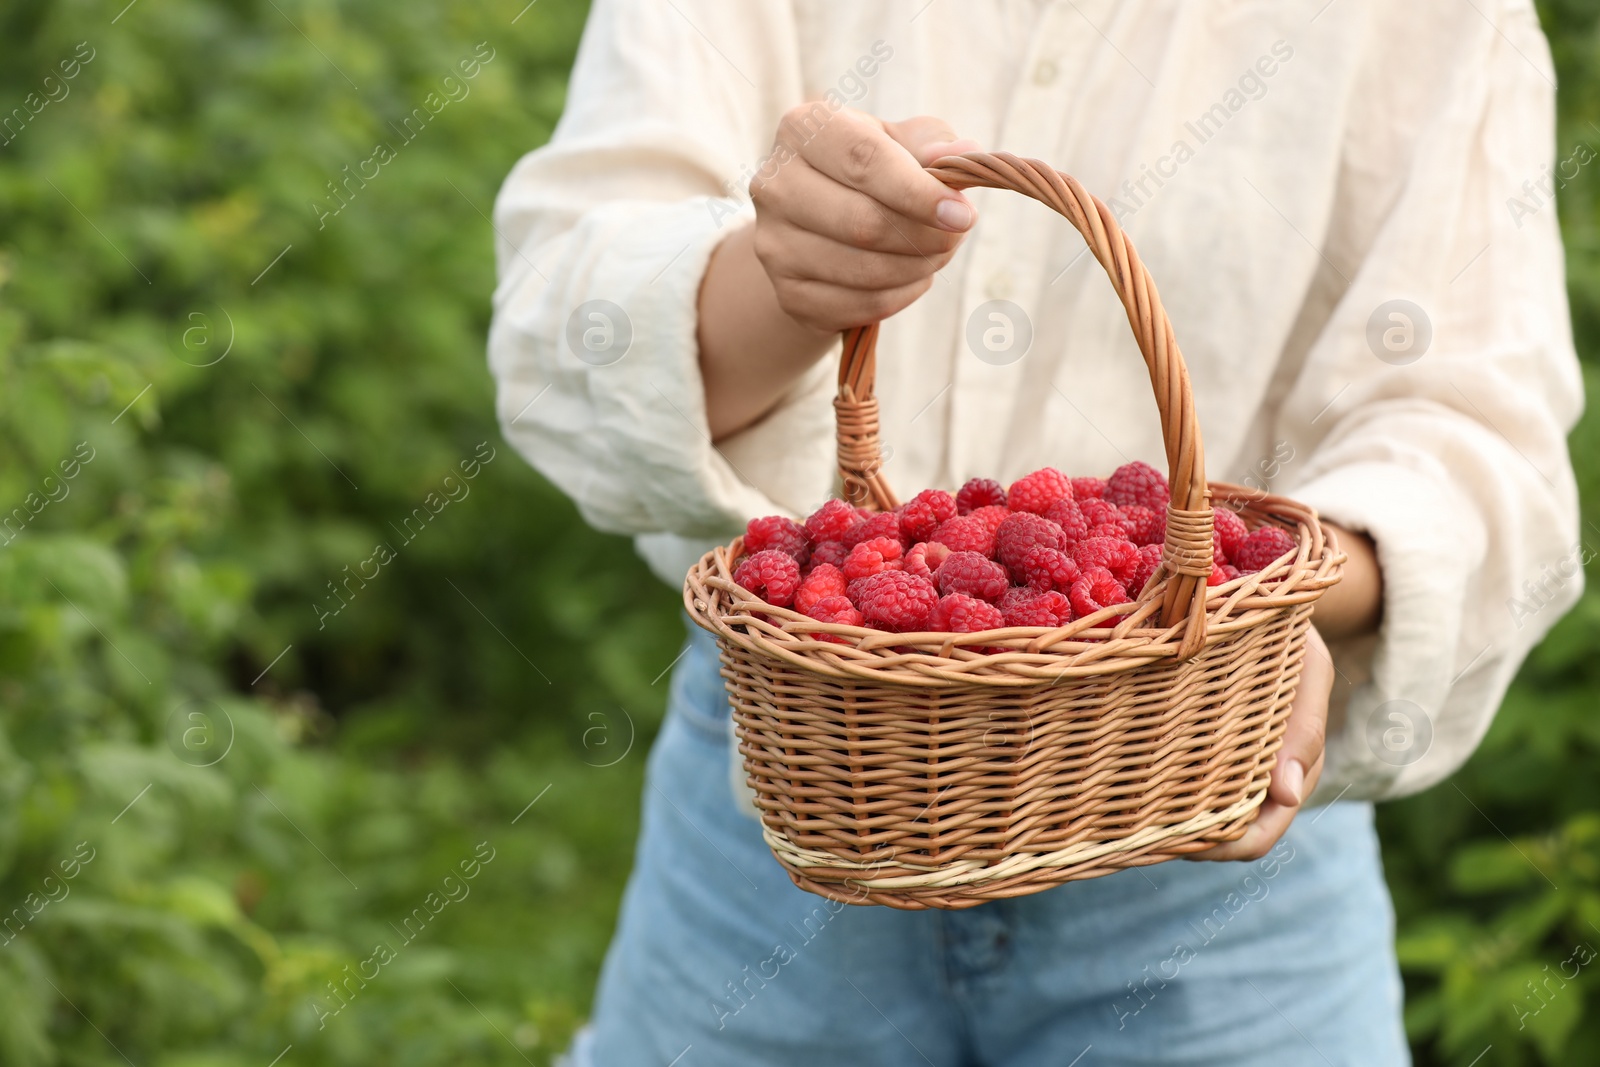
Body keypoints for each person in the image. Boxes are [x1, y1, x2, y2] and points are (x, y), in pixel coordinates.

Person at [488, 1, 1583, 1063]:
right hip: (795, 789)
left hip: (1203, 787)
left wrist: (1272, 601)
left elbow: (1470, 426)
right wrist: (782, 285)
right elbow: (560, 321)